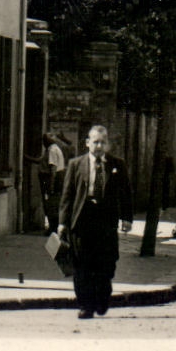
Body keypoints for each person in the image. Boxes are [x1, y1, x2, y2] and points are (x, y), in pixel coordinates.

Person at [56, 124, 132, 319]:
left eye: (102, 142)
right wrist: (62, 223)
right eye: (95, 141)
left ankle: (102, 296)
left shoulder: (117, 165)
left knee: (106, 263)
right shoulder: (75, 164)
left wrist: (127, 218)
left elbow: (125, 194)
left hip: (106, 221)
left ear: (107, 144)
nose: (99, 146)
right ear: (87, 142)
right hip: (81, 220)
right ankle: (85, 305)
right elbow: (67, 196)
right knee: (81, 265)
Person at [40, 134, 66, 233]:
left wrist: (51, 185)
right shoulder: (54, 149)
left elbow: (53, 168)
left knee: (52, 205)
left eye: (44, 141)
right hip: (55, 179)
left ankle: (53, 228)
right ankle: (53, 227)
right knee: (53, 204)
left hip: (53, 180)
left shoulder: (52, 150)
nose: (43, 143)